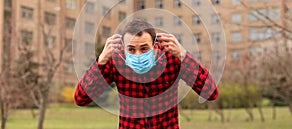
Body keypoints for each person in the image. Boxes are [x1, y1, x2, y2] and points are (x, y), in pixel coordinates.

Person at [74, 19, 218, 129]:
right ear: (123, 49)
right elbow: (81, 98)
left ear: (155, 46)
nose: (137, 54)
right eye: (131, 49)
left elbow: (210, 93)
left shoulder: (172, 60)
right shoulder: (115, 63)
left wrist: (184, 56)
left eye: (144, 49)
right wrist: (101, 61)